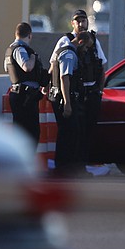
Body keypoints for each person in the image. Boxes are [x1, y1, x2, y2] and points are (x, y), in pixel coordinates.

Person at [50, 9, 108, 176]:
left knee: (85, 133)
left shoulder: (93, 41)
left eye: (84, 20)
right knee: (70, 132)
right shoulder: (65, 42)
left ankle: (79, 167)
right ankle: (64, 167)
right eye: (78, 21)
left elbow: (101, 66)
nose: (82, 23)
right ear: (72, 23)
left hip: (91, 93)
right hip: (73, 93)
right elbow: (56, 67)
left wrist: (99, 91)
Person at [49, 30, 94, 178]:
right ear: (80, 42)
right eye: (87, 47)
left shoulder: (68, 50)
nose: (86, 50)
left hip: (64, 98)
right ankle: (64, 168)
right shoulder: (69, 54)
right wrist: (67, 103)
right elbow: (64, 78)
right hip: (64, 100)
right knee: (69, 133)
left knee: (70, 132)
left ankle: (65, 168)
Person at [4, 22, 48, 145]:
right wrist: (33, 57)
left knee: (22, 131)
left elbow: (7, 69)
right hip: (25, 96)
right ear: (30, 35)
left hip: (21, 94)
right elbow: (27, 67)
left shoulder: (9, 50)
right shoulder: (20, 49)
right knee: (30, 132)